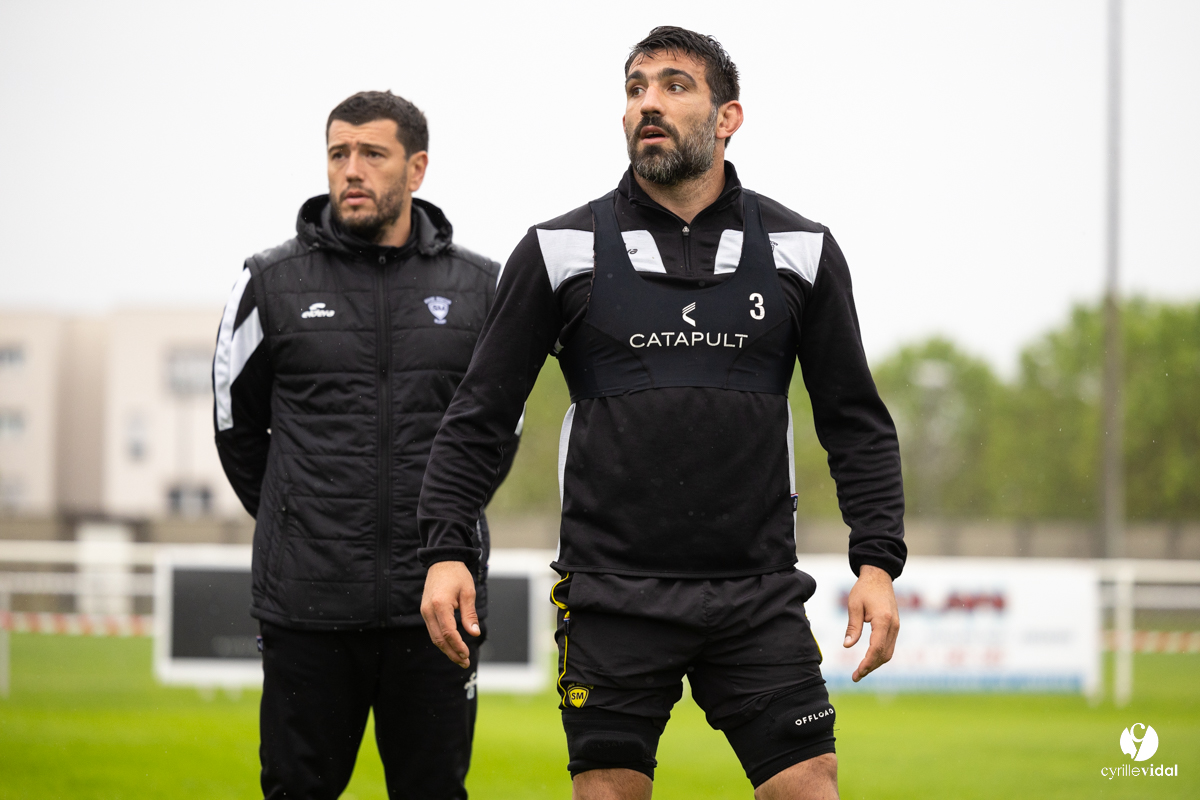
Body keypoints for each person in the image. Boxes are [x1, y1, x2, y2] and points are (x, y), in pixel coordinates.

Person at [418, 26, 905, 800]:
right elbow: (479, 416)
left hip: (756, 593)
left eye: (675, 85)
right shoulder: (558, 249)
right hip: (612, 594)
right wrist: (444, 549)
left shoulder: (800, 249)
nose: (649, 102)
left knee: (811, 787)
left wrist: (877, 562)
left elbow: (855, 420)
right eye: (636, 87)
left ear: (729, 116)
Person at [212, 90, 516, 800]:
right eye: (338, 153)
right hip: (307, 605)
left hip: (437, 605)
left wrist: (442, 529)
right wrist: (302, 517)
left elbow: (499, 431)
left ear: (416, 169)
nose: (351, 170)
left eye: (371, 154)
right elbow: (235, 427)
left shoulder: (480, 288)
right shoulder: (269, 282)